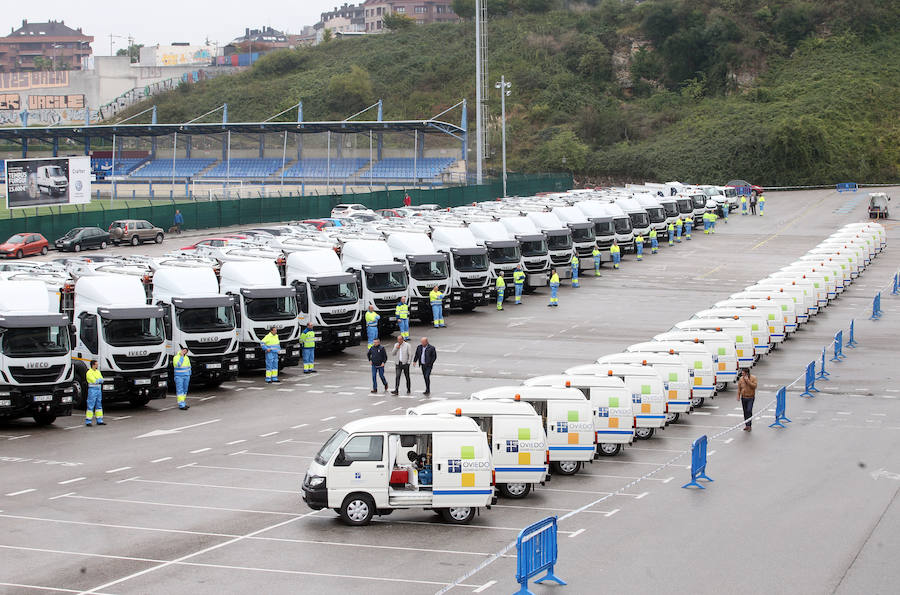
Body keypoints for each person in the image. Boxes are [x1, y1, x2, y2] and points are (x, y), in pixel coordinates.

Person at [85, 360, 105, 426]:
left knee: (99, 405)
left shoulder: (98, 371)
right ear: (93, 365)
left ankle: (99, 420)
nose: (97, 365)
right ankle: (88, 421)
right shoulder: (89, 372)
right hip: (92, 390)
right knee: (90, 405)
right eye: (96, 364)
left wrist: (98, 380)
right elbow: (93, 380)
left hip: (98, 389)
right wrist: (98, 380)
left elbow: (102, 379)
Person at [173, 346, 191, 410]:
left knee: (185, 391)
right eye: (184, 350)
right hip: (179, 376)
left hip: (186, 376)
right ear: (181, 350)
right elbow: (178, 365)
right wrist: (182, 357)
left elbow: (189, 367)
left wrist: (189, 374)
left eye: (186, 351)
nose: (184, 352)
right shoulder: (176, 357)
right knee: (180, 391)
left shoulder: (187, 358)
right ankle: (181, 405)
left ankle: (183, 402)